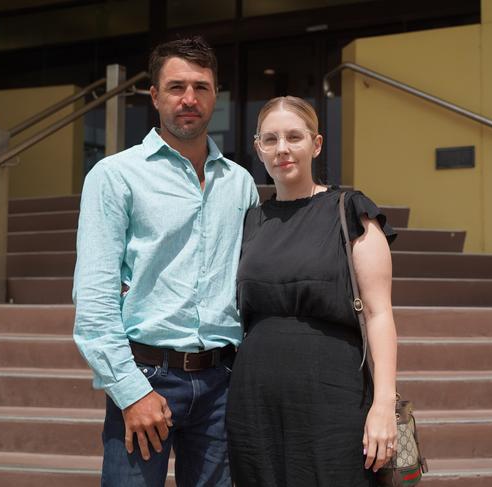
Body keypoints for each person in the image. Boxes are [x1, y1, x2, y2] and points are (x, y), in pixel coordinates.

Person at [73, 37, 258, 487]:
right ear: (154, 96)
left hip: (222, 383)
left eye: (202, 87)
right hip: (144, 378)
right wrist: (131, 392)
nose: (189, 99)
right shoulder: (115, 176)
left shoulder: (240, 183)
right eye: (176, 87)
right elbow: (94, 299)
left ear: (217, 95)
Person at [226, 96, 398, 487]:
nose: (282, 149)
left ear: (316, 144)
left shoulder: (349, 210)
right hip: (255, 401)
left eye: (293, 137)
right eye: (270, 140)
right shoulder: (254, 220)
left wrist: (384, 403)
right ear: (258, 148)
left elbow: (379, 313)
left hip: (335, 397)